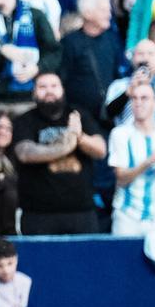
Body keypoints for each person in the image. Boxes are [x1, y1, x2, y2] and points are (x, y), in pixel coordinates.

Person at [12, 72, 107, 235]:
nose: (49, 91)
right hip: (38, 213)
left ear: (63, 90)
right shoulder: (25, 120)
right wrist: (65, 147)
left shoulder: (79, 115)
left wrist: (79, 137)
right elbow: (25, 153)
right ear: (34, 92)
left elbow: (100, 150)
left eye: (54, 86)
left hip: (81, 211)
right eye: (42, 87)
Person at [108, 79, 155, 234]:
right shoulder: (120, 134)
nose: (138, 103)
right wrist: (149, 161)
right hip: (127, 216)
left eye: (144, 98)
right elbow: (121, 178)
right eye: (134, 98)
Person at [60, 0, 124, 128]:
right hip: (79, 117)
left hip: (109, 115)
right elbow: (62, 79)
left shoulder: (112, 39)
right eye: (104, 10)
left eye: (109, 10)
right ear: (88, 13)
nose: (109, 15)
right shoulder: (69, 42)